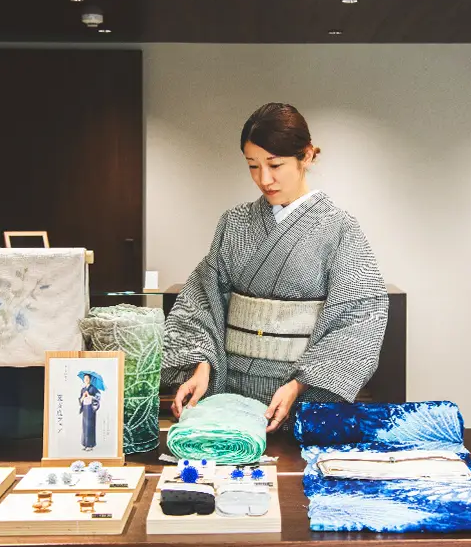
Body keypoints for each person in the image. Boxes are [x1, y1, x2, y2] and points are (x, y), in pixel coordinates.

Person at [162, 102, 389, 433]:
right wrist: (201, 366)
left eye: (275, 164)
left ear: (306, 156)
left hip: (297, 396)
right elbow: (201, 300)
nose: (264, 179)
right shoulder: (235, 222)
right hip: (228, 394)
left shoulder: (339, 229)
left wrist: (300, 384)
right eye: (253, 166)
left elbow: (359, 316)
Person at [79, 374, 101, 450]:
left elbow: (98, 396)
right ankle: (85, 444)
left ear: (90, 379)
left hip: (91, 409)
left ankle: (90, 445)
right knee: (85, 426)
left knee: (90, 426)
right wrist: (83, 396)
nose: (86, 379)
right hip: (85, 408)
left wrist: (90, 396)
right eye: (85, 378)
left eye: (87, 378)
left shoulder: (93, 388)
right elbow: (80, 400)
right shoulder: (83, 389)